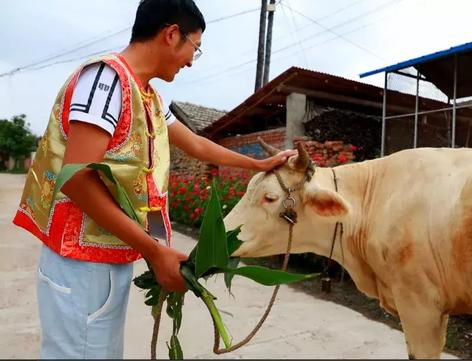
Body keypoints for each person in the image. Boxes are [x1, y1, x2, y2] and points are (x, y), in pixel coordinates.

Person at [12, 0, 295, 358]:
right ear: (171, 34)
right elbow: (76, 179)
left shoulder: (149, 97)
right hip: (79, 264)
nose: (192, 60)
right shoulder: (105, 82)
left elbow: (196, 144)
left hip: (110, 257)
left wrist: (257, 166)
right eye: (195, 47)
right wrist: (154, 251)